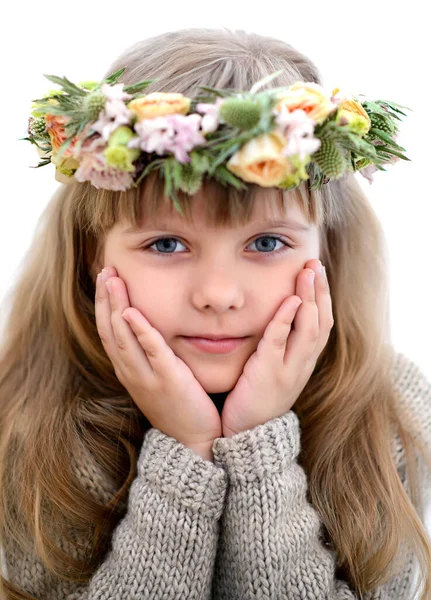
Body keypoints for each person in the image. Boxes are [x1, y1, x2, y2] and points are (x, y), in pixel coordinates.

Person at [0, 26, 430, 600]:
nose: (219, 295)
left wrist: (258, 450)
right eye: (167, 245)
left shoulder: (390, 406)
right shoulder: (29, 417)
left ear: (329, 250)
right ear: (89, 254)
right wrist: (184, 453)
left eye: (268, 244)